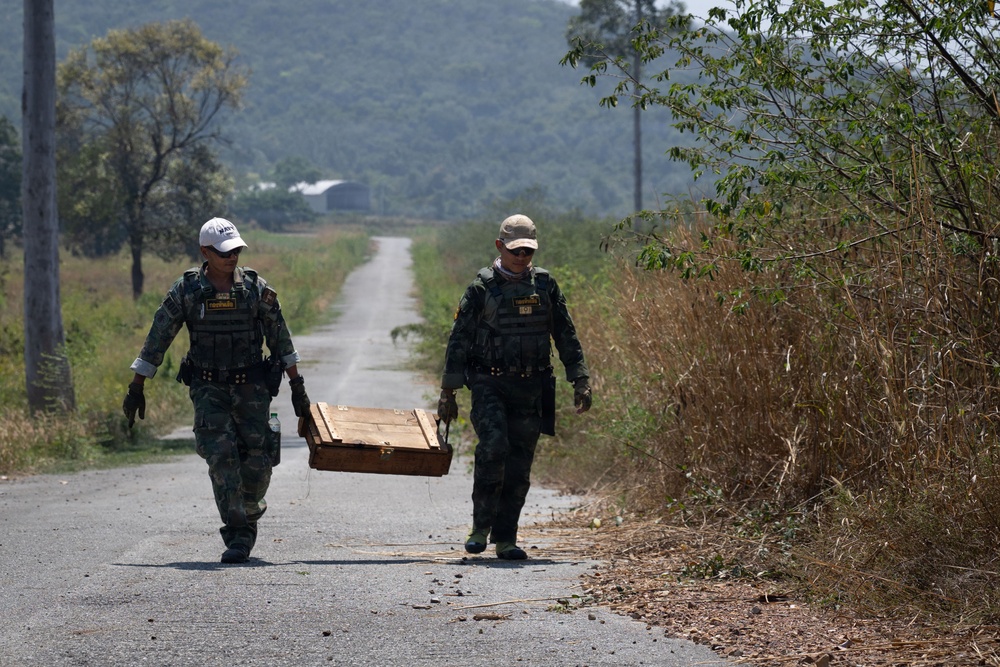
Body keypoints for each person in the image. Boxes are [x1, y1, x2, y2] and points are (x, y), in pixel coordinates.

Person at [122, 218, 311, 564]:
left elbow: (280, 337)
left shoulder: (255, 288)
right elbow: (158, 337)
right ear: (205, 252)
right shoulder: (187, 291)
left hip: (252, 388)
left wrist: (298, 387)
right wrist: (137, 386)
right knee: (221, 457)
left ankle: (248, 516)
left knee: (258, 461)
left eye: (236, 250)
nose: (232, 257)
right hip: (209, 388)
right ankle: (238, 534)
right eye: (224, 252)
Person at [437, 214, 592, 560]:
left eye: (527, 251)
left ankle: (506, 538)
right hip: (489, 383)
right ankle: (480, 527)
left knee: (520, 465)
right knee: (493, 447)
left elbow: (565, 334)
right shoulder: (481, 288)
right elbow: (458, 341)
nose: (521, 258)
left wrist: (579, 379)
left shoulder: (546, 286)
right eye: (515, 251)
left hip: (532, 387)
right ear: (499, 247)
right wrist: (448, 392)